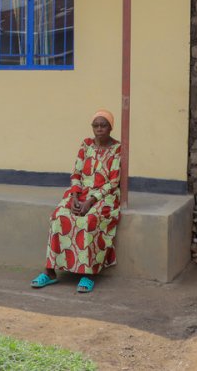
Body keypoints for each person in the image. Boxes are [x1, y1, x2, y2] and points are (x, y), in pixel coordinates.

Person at [30, 109, 122, 294]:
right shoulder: (86, 144)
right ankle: (50, 271)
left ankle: (89, 273)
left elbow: (113, 182)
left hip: (105, 195)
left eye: (103, 125)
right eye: (96, 125)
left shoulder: (117, 149)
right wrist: (74, 197)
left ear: (111, 127)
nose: (99, 129)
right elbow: (76, 173)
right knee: (58, 217)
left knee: (89, 220)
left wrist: (90, 201)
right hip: (80, 193)